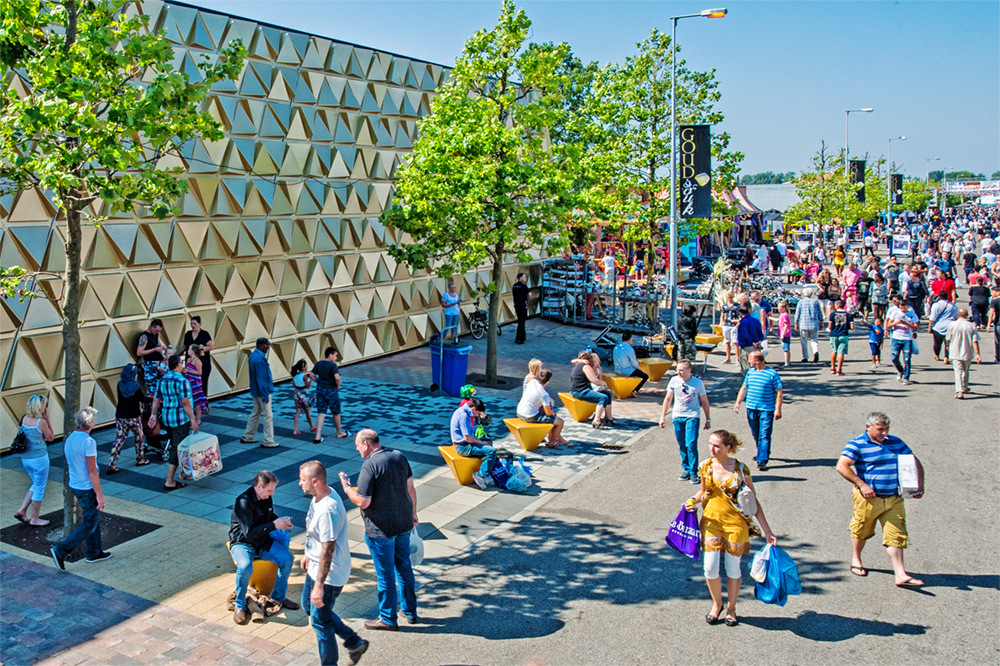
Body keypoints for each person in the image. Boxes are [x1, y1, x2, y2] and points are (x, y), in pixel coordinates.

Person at [689, 430, 777, 627]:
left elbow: (753, 502)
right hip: (711, 522)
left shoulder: (741, 470)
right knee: (710, 568)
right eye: (710, 444)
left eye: (716, 446)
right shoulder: (704, 466)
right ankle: (717, 604)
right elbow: (704, 492)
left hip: (735, 525)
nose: (711, 449)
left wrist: (768, 531)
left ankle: (731, 608)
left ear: (727, 448)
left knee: (732, 568)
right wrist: (692, 501)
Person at [340, 429, 418, 630]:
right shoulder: (398, 456)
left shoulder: (370, 465)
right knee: (404, 566)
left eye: (357, 445)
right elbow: (410, 488)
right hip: (403, 523)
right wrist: (413, 512)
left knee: (385, 575)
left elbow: (363, 502)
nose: (357, 449)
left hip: (381, 530)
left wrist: (347, 488)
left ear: (366, 444)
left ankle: (387, 618)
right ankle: (410, 611)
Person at [836, 412, 924, 587]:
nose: (885, 433)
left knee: (896, 534)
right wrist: (862, 485)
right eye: (880, 430)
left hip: (893, 497)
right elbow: (842, 466)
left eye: (887, 429)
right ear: (868, 427)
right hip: (868, 498)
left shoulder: (896, 442)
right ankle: (856, 559)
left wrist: (918, 484)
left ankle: (900, 573)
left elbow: (914, 461)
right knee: (861, 529)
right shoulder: (857, 444)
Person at [299, 461, 369, 666]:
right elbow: (316, 536)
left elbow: (328, 550)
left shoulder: (328, 510)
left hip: (329, 574)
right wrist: (307, 553)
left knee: (320, 621)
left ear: (315, 481)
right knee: (310, 607)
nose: (299, 483)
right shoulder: (319, 496)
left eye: (302, 480)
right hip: (315, 566)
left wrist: (319, 587)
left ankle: (331, 663)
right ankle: (354, 641)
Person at [229, 470, 298, 624]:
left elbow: (269, 517)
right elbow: (249, 532)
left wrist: (281, 521)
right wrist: (274, 524)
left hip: (262, 541)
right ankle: (239, 605)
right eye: (269, 490)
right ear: (259, 487)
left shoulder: (266, 498)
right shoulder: (243, 502)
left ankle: (279, 597)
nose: (271, 493)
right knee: (245, 566)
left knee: (286, 559)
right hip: (243, 542)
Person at [50, 407, 111, 569]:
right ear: (92, 423)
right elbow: (92, 471)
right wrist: (100, 495)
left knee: (93, 517)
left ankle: (95, 551)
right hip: (86, 486)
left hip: (75, 484)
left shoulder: (70, 438)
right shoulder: (88, 442)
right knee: (90, 522)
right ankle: (61, 550)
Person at [149, 354, 198, 490]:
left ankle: (182, 472)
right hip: (181, 419)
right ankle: (170, 480)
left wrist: (153, 416)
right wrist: (193, 420)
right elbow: (186, 403)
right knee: (178, 447)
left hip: (167, 417)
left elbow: (155, 399)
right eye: (181, 363)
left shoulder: (162, 380)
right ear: (178, 364)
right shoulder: (182, 381)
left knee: (175, 445)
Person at [658, 359, 711, 484]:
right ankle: (686, 468)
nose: (679, 372)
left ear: (689, 370)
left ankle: (693, 471)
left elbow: (704, 401)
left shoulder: (697, 383)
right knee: (682, 443)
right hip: (677, 416)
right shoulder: (674, 380)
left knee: (691, 443)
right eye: (677, 370)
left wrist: (708, 418)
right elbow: (668, 399)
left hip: (692, 416)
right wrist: (662, 416)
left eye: (681, 370)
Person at [733, 351, 783, 471]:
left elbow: (779, 392)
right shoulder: (750, 372)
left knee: (764, 435)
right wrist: (737, 402)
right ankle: (763, 451)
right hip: (751, 408)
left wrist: (778, 410)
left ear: (757, 361)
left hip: (766, 409)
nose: (748, 361)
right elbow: (744, 387)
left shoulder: (772, 374)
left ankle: (762, 460)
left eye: (750, 359)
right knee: (756, 433)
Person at [14, 394, 55, 527]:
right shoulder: (40, 422)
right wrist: (47, 419)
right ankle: (34, 518)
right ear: (40, 406)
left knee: (36, 483)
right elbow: (51, 437)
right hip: (39, 458)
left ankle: (22, 510)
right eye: (44, 405)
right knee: (40, 487)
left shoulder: (24, 419)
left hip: (26, 458)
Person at [108, 364, 150, 474]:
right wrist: (152, 399)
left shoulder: (120, 384)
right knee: (139, 438)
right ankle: (140, 459)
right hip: (134, 417)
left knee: (119, 439)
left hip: (121, 417)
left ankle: (112, 463)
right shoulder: (135, 386)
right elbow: (143, 400)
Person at [450, 398, 497, 489]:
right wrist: (481, 442)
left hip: (466, 442)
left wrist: (483, 442)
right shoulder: (463, 416)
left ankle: (485, 466)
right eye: (478, 414)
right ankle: (481, 474)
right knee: (492, 451)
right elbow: (467, 438)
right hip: (463, 446)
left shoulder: (465, 411)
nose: (477, 416)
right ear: (473, 409)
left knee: (489, 440)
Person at [517, 369, 569, 447]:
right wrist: (554, 413)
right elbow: (548, 413)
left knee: (549, 417)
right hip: (529, 416)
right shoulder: (544, 394)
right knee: (559, 422)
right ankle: (552, 442)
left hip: (520, 411)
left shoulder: (532, 382)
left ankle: (551, 437)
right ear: (548, 381)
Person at [310, 347, 350, 442]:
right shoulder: (333, 365)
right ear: (330, 354)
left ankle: (318, 435)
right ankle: (339, 432)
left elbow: (311, 375)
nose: (336, 358)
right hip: (331, 390)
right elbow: (337, 378)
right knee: (336, 412)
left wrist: (318, 382)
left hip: (320, 389)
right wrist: (337, 386)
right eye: (335, 355)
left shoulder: (319, 363)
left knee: (321, 412)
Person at [241, 337, 276, 448]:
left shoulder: (253, 356)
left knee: (255, 413)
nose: (268, 348)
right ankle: (268, 441)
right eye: (267, 346)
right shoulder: (260, 359)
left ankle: (248, 436)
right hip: (262, 391)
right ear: (261, 345)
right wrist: (265, 395)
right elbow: (262, 379)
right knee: (268, 416)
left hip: (256, 390)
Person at [569, 351, 614, 428]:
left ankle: (608, 416)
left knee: (607, 394)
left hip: (578, 390)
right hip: (580, 391)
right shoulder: (586, 367)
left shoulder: (577, 365)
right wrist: (604, 383)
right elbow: (594, 380)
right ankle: (596, 420)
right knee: (603, 397)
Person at [945, 308, 981, 398]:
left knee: (958, 371)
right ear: (966, 315)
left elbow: (948, 338)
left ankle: (959, 390)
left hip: (955, 350)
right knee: (966, 370)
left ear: (958, 314)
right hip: (967, 351)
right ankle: (965, 387)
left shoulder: (952, 324)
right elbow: (975, 340)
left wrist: (947, 345)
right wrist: (978, 353)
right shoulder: (971, 325)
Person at [885, 296, 919, 385]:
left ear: (908, 306)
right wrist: (897, 323)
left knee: (907, 359)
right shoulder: (895, 313)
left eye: (905, 308)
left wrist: (907, 324)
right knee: (894, 357)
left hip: (907, 338)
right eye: (901, 308)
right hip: (896, 338)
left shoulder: (912, 314)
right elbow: (889, 324)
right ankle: (900, 370)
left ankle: (906, 377)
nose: (903, 310)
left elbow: (916, 327)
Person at [180, 315, 213, 397]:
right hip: (190, 362)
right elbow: (184, 346)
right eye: (191, 324)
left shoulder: (205, 334)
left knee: (203, 383)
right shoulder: (188, 334)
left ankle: (203, 403)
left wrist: (200, 349)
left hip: (203, 362)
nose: (193, 326)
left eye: (194, 324)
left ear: (199, 324)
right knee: (190, 382)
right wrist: (176, 354)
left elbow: (210, 346)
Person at [136, 318, 167, 392]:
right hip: (150, 364)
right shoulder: (144, 336)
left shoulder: (156, 334)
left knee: (160, 386)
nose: (157, 332)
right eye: (156, 330)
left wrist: (161, 347)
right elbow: (139, 352)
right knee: (152, 387)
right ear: (152, 327)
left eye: (159, 331)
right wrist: (154, 350)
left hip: (158, 363)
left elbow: (158, 344)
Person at [794, 287, 823, 363]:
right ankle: (815, 351)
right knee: (814, 340)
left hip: (803, 324)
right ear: (811, 294)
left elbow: (797, 313)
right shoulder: (815, 302)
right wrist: (821, 321)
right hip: (813, 323)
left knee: (804, 341)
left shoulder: (800, 302)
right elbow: (819, 312)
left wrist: (796, 322)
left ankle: (805, 357)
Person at [928, 291, 958, 361]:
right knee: (948, 343)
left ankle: (937, 355)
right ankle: (946, 357)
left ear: (939, 297)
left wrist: (930, 326)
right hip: (950, 326)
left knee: (937, 343)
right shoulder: (952, 305)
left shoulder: (936, 305)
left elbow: (932, 318)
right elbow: (956, 316)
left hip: (938, 326)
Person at [827, 298, 855, 375]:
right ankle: (839, 369)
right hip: (844, 334)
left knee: (834, 351)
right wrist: (846, 326)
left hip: (834, 334)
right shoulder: (849, 315)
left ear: (837, 305)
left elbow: (830, 326)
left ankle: (833, 367)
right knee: (841, 352)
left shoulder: (832, 314)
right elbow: (852, 327)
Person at [184, 344, 209, 425]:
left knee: (198, 400)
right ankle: (190, 417)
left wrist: (188, 371)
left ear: (193, 351)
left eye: (189, 349)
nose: (187, 351)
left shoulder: (197, 361)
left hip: (195, 383)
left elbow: (199, 372)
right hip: (189, 382)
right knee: (189, 399)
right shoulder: (188, 360)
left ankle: (198, 419)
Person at [291, 359, 315, 436]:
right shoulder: (304, 376)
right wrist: (311, 379)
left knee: (298, 411)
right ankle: (312, 426)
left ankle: (295, 430)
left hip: (296, 393)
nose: (307, 367)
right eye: (306, 365)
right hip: (303, 394)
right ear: (303, 367)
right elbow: (307, 386)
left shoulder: (295, 375)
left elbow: (293, 385)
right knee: (307, 409)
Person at [735, 305, 764, 372]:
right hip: (756, 347)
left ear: (740, 313)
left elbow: (745, 335)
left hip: (747, 346)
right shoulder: (755, 320)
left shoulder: (743, 322)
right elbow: (761, 333)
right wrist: (758, 342)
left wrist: (752, 342)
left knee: (746, 367)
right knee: (757, 368)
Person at [720, 291, 740, 364]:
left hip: (734, 325)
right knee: (727, 341)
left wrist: (738, 323)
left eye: (731, 297)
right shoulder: (724, 306)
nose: (730, 299)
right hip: (727, 324)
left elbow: (740, 315)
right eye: (728, 297)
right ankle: (728, 358)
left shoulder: (737, 306)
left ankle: (737, 359)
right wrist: (722, 323)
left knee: (735, 342)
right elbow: (722, 315)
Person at [512, 272, 529, 344]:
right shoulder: (524, 286)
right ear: (520, 278)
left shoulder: (514, 286)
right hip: (523, 305)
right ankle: (519, 338)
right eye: (524, 277)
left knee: (520, 320)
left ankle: (523, 336)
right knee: (522, 321)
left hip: (516, 305)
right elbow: (529, 294)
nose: (525, 278)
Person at [776, 300, 791, 367]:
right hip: (783, 333)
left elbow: (786, 325)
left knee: (786, 348)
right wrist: (769, 317)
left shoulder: (785, 315)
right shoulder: (781, 315)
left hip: (785, 333)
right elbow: (777, 320)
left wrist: (782, 334)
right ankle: (787, 362)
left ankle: (787, 362)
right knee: (785, 348)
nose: (779, 309)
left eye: (781, 308)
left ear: (784, 308)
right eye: (779, 308)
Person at [989, 285, 1000, 362]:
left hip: (998, 323)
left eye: (993, 292)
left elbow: (991, 313)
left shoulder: (995, 301)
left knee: (998, 341)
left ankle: (998, 357)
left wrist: (988, 324)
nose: (992, 293)